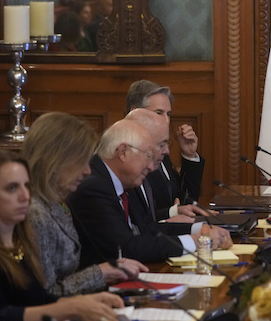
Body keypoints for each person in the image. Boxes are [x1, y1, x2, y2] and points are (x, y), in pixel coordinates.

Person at [68, 119, 232, 266]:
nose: (152, 167)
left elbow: (147, 229)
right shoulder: (93, 186)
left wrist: (199, 229)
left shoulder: (120, 180)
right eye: (148, 156)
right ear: (123, 152)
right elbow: (127, 248)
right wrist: (195, 241)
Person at [24, 112, 147, 297]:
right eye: (82, 161)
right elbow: (45, 296)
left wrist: (108, 272)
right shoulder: (35, 213)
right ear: (56, 160)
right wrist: (100, 273)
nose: (87, 171)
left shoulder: (54, 203)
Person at [0, 150, 124, 321]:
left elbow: (38, 300)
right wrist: (71, 307)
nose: (25, 196)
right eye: (12, 188)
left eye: (27, 186)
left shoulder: (21, 243)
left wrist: (85, 301)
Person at [126, 80, 205, 217]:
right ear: (135, 113)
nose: (166, 121)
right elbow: (137, 219)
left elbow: (186, 201)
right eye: (159, 113)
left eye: (168, 114)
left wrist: (189, 155)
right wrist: (172, 212)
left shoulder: (161, 150)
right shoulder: (128, 154)